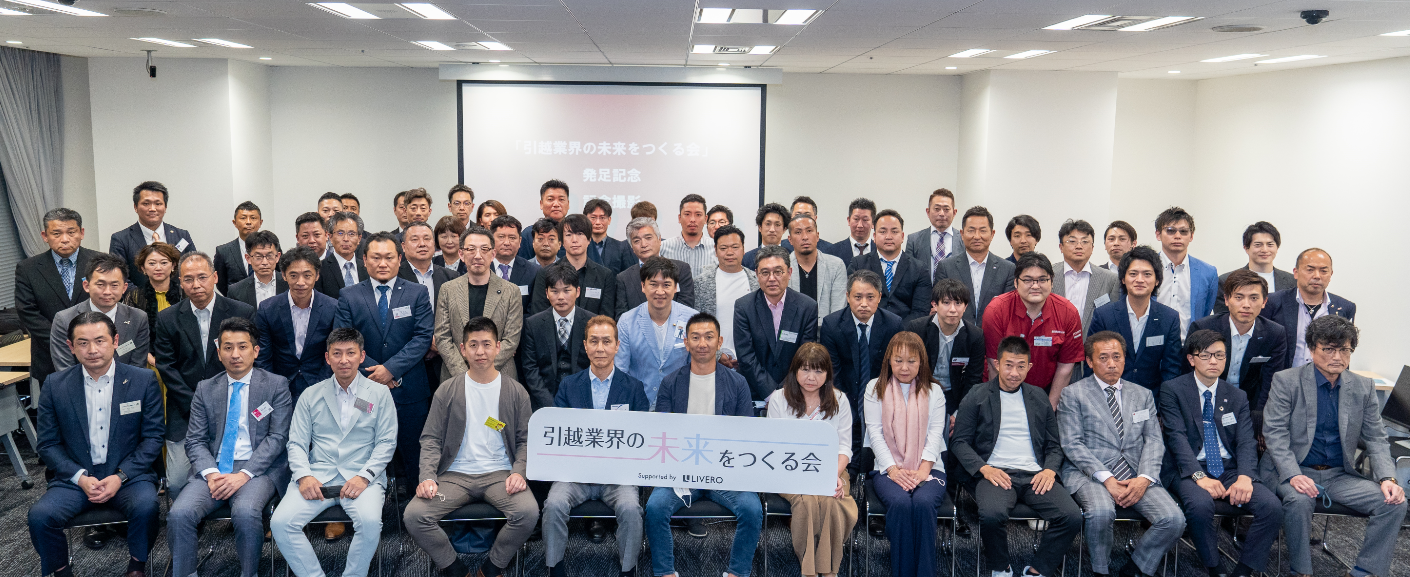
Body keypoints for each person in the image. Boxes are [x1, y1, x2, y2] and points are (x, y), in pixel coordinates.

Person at [1263, 315, 1406, 577]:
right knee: (1299, 500)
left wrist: (1388, 478)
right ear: (1312, 349)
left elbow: (1376, 437)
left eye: (1345, 350)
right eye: (1329, 349)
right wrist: (1293, 474)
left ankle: (1364, 571)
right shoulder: (1287, 381)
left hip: (1339, 476)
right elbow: (1275, 433)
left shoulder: (1362, 386)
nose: (1337, 357)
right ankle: (1301, 571)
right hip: (1294, 470)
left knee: (1393, 502)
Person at [29, 312, 164, 577]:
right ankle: (61, 571)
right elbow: (47, 444)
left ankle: (137, 567)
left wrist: (120, 476)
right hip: (75, 479)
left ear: (115, 341)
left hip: (128, 476)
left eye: (100, 341)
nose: (92, 350)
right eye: (83, 343)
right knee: (40, 516)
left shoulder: (142, 380)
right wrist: (80, 477)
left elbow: (153, 438)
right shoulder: (55, 385)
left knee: (147, 507)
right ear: (70, 347)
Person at [404, 316, 537, 577]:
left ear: (498, 347)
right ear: (463, 349)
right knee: (415, 515)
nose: (480, 352)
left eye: (486, 344)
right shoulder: (447, 390)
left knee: (528, 512)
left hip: (501, 475)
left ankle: (492, 568)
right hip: (454, 477)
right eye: (473, 345)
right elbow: (430, 439)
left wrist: (518, 472)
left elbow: (525, 440)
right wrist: (427, 476)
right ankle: (455, 569)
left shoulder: (516, 391)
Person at [168, 317, 293, 577]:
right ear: (219, 353)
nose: (235, 354)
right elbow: (195, 440)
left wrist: (243, 475)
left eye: (242, 347)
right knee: (179, 514)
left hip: (257, 469)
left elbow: (277, 438)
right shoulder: (205, 388)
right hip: (213, 469)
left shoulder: (276, 385)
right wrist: (212, 474)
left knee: (246, 512)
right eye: (228, 347)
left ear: (255, 351)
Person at [270, 328, 397, 577]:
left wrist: (364, 477)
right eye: (337, 354)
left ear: (362, 356)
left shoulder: (380, 394)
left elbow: (386, 442)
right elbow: (296, 443)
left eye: (351, 353)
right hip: (318, 476)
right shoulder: (310, 395)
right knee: (281, 523)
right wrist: (304, 476)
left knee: (370, 523)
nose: (344, 360)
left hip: (363, 477)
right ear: (327, 358)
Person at [951, 337, 1082, 577]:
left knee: (1072, 516)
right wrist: (984, 469)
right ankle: (1001, 568)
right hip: (995, 473)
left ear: (1029, 367)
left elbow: (1054, 445)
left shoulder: (1039, 397)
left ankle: (1037, 570)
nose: (1014, 373)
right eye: (1008, 365)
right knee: (992, 515)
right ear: (997, 364)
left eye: (1021, 366)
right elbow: (959, 442)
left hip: (1035, 475)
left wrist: (1049, 470)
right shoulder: (977, 394)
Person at [1057, 331, 1185, 577]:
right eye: (1103, 357)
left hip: (1136, 472)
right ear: (1089, 361)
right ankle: (1101, 570)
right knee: (1101, 512)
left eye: (1117, 357)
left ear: (1125, 359)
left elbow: (1154, 441)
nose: (1112, 363)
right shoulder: (1073, 394)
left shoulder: (1143, 394)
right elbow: (1072, 444)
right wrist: (1107, 478)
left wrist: (1144, 478)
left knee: (1173, 519)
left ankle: (1136, 567)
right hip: (1091, 473)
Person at [1158, 329, 1281, 577]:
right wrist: (1199, 477)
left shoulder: (1236, 396)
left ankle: (1244, 570)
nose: (1213, 361)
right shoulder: (1173, 390)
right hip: (1188, 469)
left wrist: (1245, 477)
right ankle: (1215, 567)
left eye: (1220, 355)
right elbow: (1176, 438)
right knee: (1200, 505)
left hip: (1229, 468)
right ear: (1191, 359)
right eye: (1206, 355)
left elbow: (1246, 441)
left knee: (1272, 507)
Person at [646, 313, 760, 577]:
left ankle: (736, 573)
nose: (702, 344)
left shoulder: (737, 383)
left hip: (725, 471)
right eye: (695, 337)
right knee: (655, 507)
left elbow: (746, 433)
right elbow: (662, 431)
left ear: (719, 342)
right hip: (681, 472)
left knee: (752, 509)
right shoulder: (671, 382)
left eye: (709, 337)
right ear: (686, 343)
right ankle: (665, 572)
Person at [544, 315, 649, 577]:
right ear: (585, 346)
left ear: (617, 345)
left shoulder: (634, 388)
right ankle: (555, 568)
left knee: (631, 509)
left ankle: (627, 570)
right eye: (594, 341)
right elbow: (559, 434)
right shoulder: (569, 386)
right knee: (553, 504)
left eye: (606, 341)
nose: (600, 348)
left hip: (617, 477)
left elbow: (643, 438)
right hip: (575, 475)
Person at [333, 231, 434, 491]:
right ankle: (371, 501)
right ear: (364, 260)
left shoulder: (417, 292)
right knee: (365, 450)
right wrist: (375, 373)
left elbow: (423, 337)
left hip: (409, 390)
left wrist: (390, 369)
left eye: (389, 257)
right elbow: (344, 340)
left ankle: (416, 503)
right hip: (363, 391)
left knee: (413, 452)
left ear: (399, 259)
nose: (382, 263)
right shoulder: (349, 295)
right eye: (376, 257)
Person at [154, 252, 257, 497]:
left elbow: (248, 362)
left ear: (215, 277)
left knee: (234, 471)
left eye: (202, 277)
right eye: (188, 279)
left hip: (233, 403)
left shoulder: (241, 312)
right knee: (177, 481)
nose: (196, 285)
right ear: (180, 282)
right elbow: (166, 366)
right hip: (184, 407)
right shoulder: (167, 318)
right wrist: (196, 404)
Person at [766, 343, 857, 577]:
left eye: (818, 371)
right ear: (795, 370)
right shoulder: (779, 399)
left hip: (831, 469)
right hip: (788, 470)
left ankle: (829, 571)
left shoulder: (839, 399)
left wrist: (832, 476)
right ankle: (809, 571)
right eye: (805, 369)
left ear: (828, 374)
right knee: (806, 501)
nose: (811, 377)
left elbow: (845, 447)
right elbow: (773, 446)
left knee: (830, 502)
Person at [864, 331, 947, 577]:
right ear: (889, 360)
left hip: (930, 468)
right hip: (886, 469)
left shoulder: (935, 391)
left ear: (921, 362)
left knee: (923, 503)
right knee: (900, 504)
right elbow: (875, 434)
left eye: (911, 361)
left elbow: (935, 435)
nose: (904, 367)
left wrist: (922, 471)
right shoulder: (874, 388)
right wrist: (893, 470)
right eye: (898, 360)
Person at [820, 270, 902, 474]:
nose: (864, 304)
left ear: (879, 297)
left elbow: (893, 372)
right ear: (847, 296)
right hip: (843, 396)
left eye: (870, 297)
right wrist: (848, 409)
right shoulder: (832, 324)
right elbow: (833, 372)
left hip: (881, 398)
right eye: (857, 297)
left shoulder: (893, 324)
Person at [982, 253, 1082, 405]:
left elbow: (1065, 367)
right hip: (1001, 390)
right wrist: (1005, 405)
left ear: (1052, 282)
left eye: (1042, 280)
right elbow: (993, 364)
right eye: (1028, 280)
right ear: (1016, 282)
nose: (1035, 286)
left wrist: (1050, 407)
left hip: (1046, 391)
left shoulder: (1068, 312)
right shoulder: (996, 310)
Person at [1088, 246, 1183, 398]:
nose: (1140, 280)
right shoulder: (1104, 315)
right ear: (1123, 279)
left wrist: (1164, 405)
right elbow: (1092, 363)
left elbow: (1171, 369)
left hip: (1152, 399)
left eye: (1147, 274)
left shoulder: (1169, 318)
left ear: (1157, 280)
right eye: (1133, 274)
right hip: (1109, 397)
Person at [1187, 270, 1287, 412]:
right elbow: (1188, 374)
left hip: (1250, 405)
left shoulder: (1274, 333)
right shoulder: (1203, 328)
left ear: (1264, 302)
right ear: (1226, 300)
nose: (1246, 305)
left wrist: (1258, 416)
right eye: (1239, 297)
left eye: (1253, 298)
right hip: (1205, 401)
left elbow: (1270, 382)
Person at [17, 208, 98, 386]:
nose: (65, 239)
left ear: (82, 233)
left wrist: (86, 340)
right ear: (45, 236)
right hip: (49, 357)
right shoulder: (28, 268)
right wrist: (63, 340)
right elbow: (27, 311)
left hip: (96, 353)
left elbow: (109, 301)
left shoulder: (99, 261)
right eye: (56, 233)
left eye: (71, 232)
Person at [436, 225, 523, 381]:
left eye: (484, 249)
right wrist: (465, 374)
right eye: (471, 249)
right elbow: (442, 337)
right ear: (461, 254)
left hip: (499, 375)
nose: (477, 256)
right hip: (456, 376)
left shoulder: (511, 291)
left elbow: (511, 340)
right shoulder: (447, 289)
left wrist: (483, 370)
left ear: (493, 254)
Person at [735, 245, 819, 403]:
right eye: (765, 272)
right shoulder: (744, 307)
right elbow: (746, 357)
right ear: (757, 275)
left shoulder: (807, 307)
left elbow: (804, 356)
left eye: (778, 272)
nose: (772, 278)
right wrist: (771, 394)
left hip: (794, 393)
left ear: (789, 273)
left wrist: (784, 393)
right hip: (754, 393)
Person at [256, 247, 338, 399]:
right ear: (284, 275)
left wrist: (322, 385)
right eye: (293, 275)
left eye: (307, 275)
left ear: (317, 275)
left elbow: (334, 352)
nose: (300, 282)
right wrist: (273, 387)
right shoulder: (268, 309)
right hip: (280, 385)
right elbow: (263, 357)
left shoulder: (332, 307)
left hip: (321, 383)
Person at [614, 257, 698, 409]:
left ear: (676, 287)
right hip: (638, 404)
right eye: (653, 284)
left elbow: (696, 366)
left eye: (666, 285)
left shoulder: (692, 320)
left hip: (679, 404)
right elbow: (621, 370)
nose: (660, 292)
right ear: (643, 286)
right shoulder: (627, 321)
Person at [50, 252, 149, 372]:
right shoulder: (64, 319)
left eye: (114, 285)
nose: (107, 291)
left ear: (124, 288)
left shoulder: (138, 318)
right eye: (101, 285)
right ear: (86, 285)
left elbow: (137, 368)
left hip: (126, 382)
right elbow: (65, 370)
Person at [1260, 247, 1355, 368]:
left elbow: (1345, 349)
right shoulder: (1272, 302)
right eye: (1310, 270)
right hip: (1282, 376)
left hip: (1324, 377)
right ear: (1296, 273)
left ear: (1331, 274)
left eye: (1323, 271)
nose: (1317, 276)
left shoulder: (1344, 307)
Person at [520, 263, 594, 409]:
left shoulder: (591, 323)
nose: (561, 297)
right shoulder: (533, 324)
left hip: (583, 400)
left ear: (578, 291)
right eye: (554, 291)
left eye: (567, 291)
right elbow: (530, 369)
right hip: (544, 401)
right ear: (547, 293)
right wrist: (549, 404)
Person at [933, 205, 1015, 324]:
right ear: (962, 234)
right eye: (971, 230)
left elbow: (1008, 310)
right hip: (957, 331)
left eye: (983, 231)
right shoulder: (946, 267)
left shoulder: (1008, 269)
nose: (977, 236)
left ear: (992, 234)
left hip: (993, 331)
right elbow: (941, 306)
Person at [849, 209, 931, 321]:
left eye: (894, 231)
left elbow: (920, 311)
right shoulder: (858, 264)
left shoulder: (919, 269)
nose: (888, 236)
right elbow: (852, 304)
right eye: (883, 232)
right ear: (874, 236)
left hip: (906, 329)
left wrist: (900, 329)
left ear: (902, 236)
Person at [109, 181, 197, 287]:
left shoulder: (182, 236)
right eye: (146, 204)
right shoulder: (120, 239)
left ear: (165, 207)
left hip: (178, 296)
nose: (152, 209)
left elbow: (194, 269)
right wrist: (144, 295)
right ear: (135, 207)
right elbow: (119, 278)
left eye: (158, 204)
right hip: (138, 296)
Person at [529, 214, 617, 317]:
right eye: (569, 235)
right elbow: (539, 315)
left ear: (589, 239)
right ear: (562, 242)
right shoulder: (545, 273)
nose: (574, 240)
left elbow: (606, 318)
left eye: (580, 234)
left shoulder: (604, 275)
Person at [694, 225, 757, 368]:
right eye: (723, 248)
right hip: (712, 360)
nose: (729, 252)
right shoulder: (701, 283)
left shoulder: (757, 282)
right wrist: (716, 354)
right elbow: (695, 325)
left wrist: (749, 356)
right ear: (715, 251)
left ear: (743, 249)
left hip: (751, 361)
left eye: (735, 247)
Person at [1152, 207, 1218, 338]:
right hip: (1151, 344)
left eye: (1183, 231)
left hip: (1189, 344)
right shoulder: (1146, 269)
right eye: (1170, 231)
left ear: (1191, 236)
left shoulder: (1208, 273)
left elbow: (1205, 313)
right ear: (1158, 235)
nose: (1177, 236)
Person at [614, 217, 696, 313]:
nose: (644, 244)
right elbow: (621, 315)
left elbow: (686, 309)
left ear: (659, 239)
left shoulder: (681, 269)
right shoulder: (623, 278)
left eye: (648, 238)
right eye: (637, 241)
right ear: (632, 247)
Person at [1052, 219, 1120, 334]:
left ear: (1092, 248)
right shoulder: (1048, 275)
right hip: (1055, 342)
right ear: (1061, 247)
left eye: (1085, 241)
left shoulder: (1110, 279)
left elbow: (1113, 320)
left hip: (1093, 342)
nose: (1079, 246)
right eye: (1072, 241)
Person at [1212, 221, 1294, 315]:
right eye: (1258, 245)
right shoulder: (1225, 280)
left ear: (1277, 248)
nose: (1265, 250)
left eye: (1270, 244)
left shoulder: (1292, 281)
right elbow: (1222, 317)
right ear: (1246, 248)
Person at [121, 242, 183, 355]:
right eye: (152, 263)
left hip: (181, 357)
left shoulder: (184, 294)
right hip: (145, 357)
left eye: (164, 263)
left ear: (173, 266)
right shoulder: (134, 296)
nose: (158, 268)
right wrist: (147, 356)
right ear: (143, 268)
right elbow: (127, 335)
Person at [787, 214, 847, 322]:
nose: (805, 237)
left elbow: (838, 312)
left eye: (809, 231)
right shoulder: (783, 267)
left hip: (826, 329)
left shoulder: (836, 265)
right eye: (798, 232)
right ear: (790, 239)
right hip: (792, 329)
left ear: (817, 236)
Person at [398, 220, 462, 313]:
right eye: (415, 239)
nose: (422, 244)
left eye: (427, 238)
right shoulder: (395, 276)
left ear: (434, 243)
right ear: (403, 246)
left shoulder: (451, 277)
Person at [904, 188, 963, 279]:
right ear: (928, 212)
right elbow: (908, 273)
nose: (941, 213)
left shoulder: (963, 240)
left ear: (954, 213)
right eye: (937, 209)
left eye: (946, 209)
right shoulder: (914, 240)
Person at [488, 215, 542, 314]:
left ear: (520, 241)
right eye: (501, 237)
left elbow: (533, 312)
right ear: (491, 240)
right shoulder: (480, 268)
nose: (507, 243)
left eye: (512, 238)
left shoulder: (533, 272)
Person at [660, 193, 717, 277]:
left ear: (705, 219)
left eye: (698, 215)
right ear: (679, 218)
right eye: (687, 214)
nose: (692, 219)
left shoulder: (716, 248)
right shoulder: (663, 248)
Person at [212, 201, 263, 294]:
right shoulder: (223, 251)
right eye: (243, 218)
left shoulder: (272, 248)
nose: (248, 222)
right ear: (234, 223)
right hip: (236, 300)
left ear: (260, 222)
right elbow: (221, 284)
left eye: (253, 218)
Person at [315, 211, 368, 299]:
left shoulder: (368, 268)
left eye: (351, 234)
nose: (346, 239)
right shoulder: (320, 269)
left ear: (359, 238)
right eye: (340, 233)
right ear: (330, 237)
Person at [226, 230, 286, 308]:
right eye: (258, 257)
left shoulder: (289, 284)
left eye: (269, 256)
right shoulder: (236, 291)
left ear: (277, 257)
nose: (265, 262)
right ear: (248, 258)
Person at [518, 179, 570, 260]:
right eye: (550, 199)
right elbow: (522, 264)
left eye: (561, 199)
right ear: (541, 204)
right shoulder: (528, 234)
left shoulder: (576, 234)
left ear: (568, 204)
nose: (556, 204)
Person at [584, 197, 633, 274]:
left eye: (602, 218)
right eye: (593, 218)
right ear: (585, 219)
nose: (598, 222)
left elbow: (627, 275)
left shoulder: (621, 248)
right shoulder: (579, 246)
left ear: (609, 220)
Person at [823, 197, 876, 262]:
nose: (860, 225)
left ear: (873, 223)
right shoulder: (832, 251)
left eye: (865, 220)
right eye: (856, 219)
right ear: (848, 220)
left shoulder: (881, 250)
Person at [741, 202, 792, 270]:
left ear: (784, 229)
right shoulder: (746, 259)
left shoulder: (792, 257)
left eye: (777, 225)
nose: (772, 229)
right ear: (760, 227)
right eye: (768, 224)